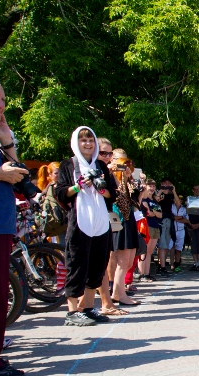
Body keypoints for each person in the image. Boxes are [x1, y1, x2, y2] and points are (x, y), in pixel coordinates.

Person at [55, 126, 117, 326]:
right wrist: (78, 186)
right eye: (84, 140)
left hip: (100, 220)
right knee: (77, 264)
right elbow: (61, 193)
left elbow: (112, 194)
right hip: (80, 220)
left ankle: (88, 308)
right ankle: (72, 311)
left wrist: (101, 188)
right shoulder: (68, 165)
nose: (88, 144)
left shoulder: (101, 165)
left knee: (98, 265)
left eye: (91, 140)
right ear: (76, 143)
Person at [0, 77, 28, 376]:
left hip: (1, 223)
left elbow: (18, 174)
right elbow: (5, 173)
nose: (0, 105)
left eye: (3, 99)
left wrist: (7, 141)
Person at [110, 156, 141, 306]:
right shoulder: (113, 181)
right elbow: (120, 200)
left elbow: (135, 203)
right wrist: (122, 178)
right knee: (122, 262)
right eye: (124, 166)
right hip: (120, 222)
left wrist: (129, 178)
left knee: (128, 262)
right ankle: (119, 295)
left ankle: (118, 292)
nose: (127, 169)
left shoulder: (129, 182)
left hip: (129, 221)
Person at [156, 178, 181, 275]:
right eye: (165, 183)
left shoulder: (171, 195)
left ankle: (162, 265)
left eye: (168, 183)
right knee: (162, 244)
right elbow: (156, 201)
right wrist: (161, 191)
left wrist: (174, 191)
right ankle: (162, 267)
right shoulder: (158, 193)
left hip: (169, 220)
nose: (167, 185)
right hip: (161, 219)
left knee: (166, 244)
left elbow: (178, 204)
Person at [138, 179, 161, 282]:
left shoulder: (154, 201)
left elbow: (160, 215)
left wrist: (154, 212)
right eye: (150, 186)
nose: (152, 188)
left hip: (156, 225)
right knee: (144, 251)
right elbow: (149, 213)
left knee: (150, 252)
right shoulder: (144, 199)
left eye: (153, 186)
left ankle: (147, 274)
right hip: (147, 226)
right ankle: (141, 274)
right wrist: (154, 212)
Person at [171, 199, 189, 271]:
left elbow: (186, 220)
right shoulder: (171, 207)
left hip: (181, 231)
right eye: (178, 199)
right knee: (171, 248)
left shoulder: (184, 209)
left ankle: (177, 264)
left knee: (178, 249)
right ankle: (171, 264)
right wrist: (180, 217)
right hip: (172, 230)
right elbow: (170, 217)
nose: (180, 201)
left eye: (181, 200)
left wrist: (175, 219)